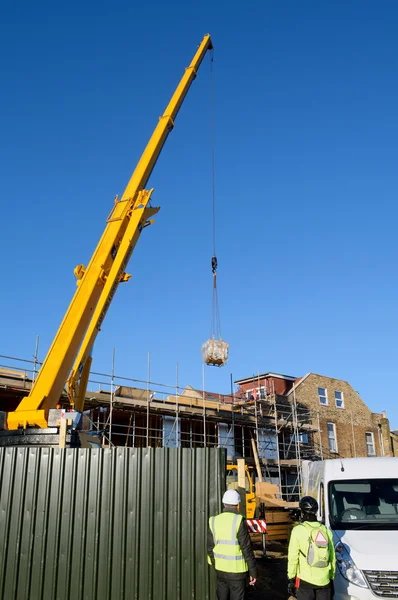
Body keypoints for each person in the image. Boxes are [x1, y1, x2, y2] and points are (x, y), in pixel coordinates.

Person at [207, 489, 257, 600]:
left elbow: (210, 548)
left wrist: (217, 564)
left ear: (224, 503)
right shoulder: (239, 520)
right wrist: (253, 572)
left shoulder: (213, 521)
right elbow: (246, 549)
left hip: (220, 571)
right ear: (237, 505)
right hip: (237, 572)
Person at [287, 496, 336, 600]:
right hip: (324, 581)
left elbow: (293, 557)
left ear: (302, 511)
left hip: (305, 582)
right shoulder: (325, 530)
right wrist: (331, 577)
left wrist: (291, 578)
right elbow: (332, 557)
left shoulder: (298, 530)